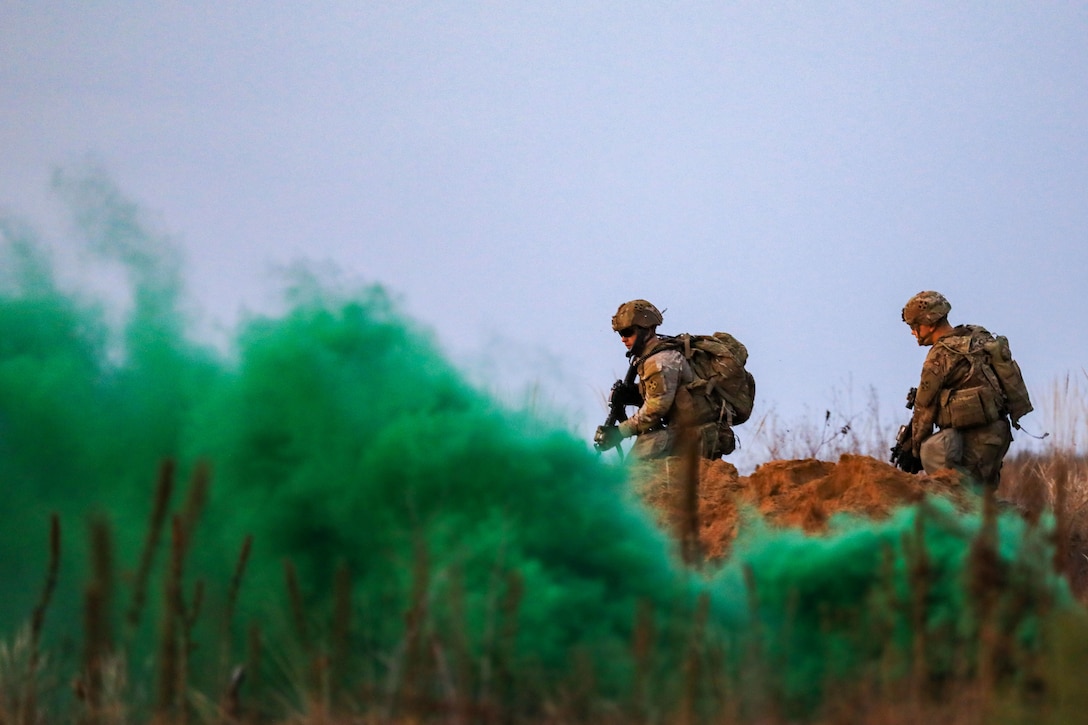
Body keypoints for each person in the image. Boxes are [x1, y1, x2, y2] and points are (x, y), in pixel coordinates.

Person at [901, 290, 1020, 489]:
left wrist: (914, 450)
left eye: (915, 326)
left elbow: (925, 408)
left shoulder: (940, 356)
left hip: (975, 440)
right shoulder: (978, 336)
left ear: (929, 324)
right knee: (984, 499)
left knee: (936, 456)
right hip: (999, 432)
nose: (913, 332)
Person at [596, 299, 721, 460]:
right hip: (685, 430)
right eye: (621, 334)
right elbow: (664, 393)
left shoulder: (659, 361)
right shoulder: (649, 357)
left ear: (646, 330)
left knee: (635, 468)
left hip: (696, 433)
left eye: (628, 332)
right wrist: (632, 394)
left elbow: (655, 410)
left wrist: (620, 432)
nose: (623, 339)